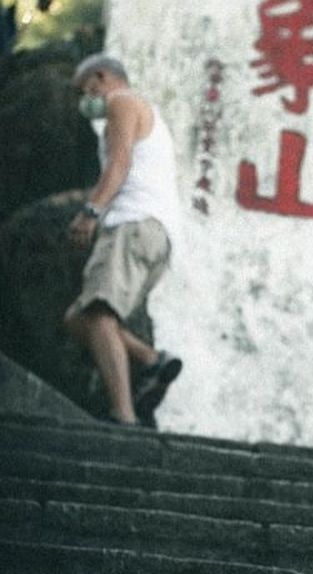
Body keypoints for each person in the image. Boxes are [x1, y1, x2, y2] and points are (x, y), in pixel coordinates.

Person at [64, 53, 182, 426]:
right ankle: (150, 360)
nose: (87, 100)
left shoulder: (121, 102)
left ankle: (123, 416)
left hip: (132, 226)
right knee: (77, 318)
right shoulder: (148, 113)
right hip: (156, 235)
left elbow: (119, 163)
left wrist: (91, 211)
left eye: (86, 90)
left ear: (101, 77)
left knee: (98, 315)